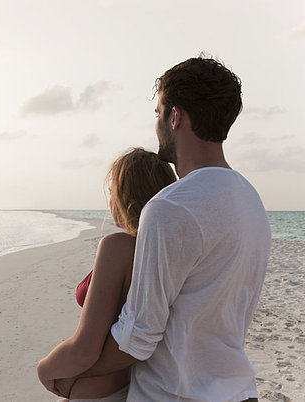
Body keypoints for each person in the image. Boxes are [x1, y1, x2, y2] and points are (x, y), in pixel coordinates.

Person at [53, 56, 272, 401]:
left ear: (175, 116)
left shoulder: (169, 207)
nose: (157, 123)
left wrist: (67, 375)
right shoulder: (250, 201)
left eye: (158, 113)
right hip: (239, 393)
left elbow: (137, 340)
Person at [37, 147, 177, 400]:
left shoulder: (119, 246)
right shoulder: (167, 252)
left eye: (113, 192)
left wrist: (44, 369)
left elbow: (84, 350)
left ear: (126, 198)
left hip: (98, 391)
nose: (110, 201)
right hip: (137, 385)